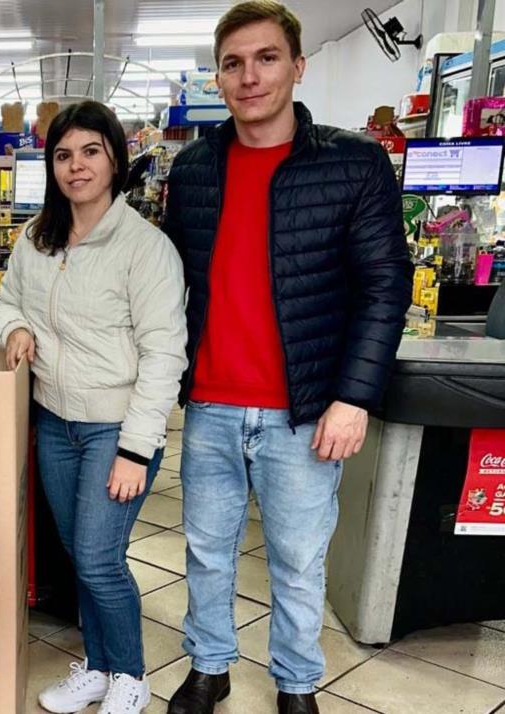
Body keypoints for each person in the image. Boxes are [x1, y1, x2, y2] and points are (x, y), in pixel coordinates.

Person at [161, 3, 412, 714]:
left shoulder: (352, 163)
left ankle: (298, 683)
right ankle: (209, 667)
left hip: (304, 410)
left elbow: (385, 285)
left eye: (266, 58)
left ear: (297, 67)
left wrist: (353, 397)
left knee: (299, 562)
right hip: (211, 403)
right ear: (218, 77)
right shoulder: (194, 169)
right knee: (206, 551)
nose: (249, 76)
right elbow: (167, 281)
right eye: (233, 63)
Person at [0, 101, 188, 714]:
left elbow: (164, 356)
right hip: (54, 422)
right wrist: (15, 328)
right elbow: (7, 300)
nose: (76, 166)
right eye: (63, 155)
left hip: (115, 427)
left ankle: (131, 674)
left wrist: (135, 449)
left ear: (115, 160)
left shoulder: (146, 248)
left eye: (90, 152)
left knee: (100, 559)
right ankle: (100, 668)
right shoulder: (37, 237)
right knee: (79, 554)